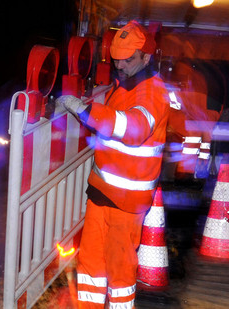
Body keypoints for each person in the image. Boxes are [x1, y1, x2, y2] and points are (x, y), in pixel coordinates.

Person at [56, 20, 170, 309]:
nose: (120, 66)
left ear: (147, 56)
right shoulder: (124, 85)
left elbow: (133, 129)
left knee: (120, 274)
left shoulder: (153, 92)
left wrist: (85, 111)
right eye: (116, 60)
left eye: (128, 60)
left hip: (127, 203)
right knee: (91, 266)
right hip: (103, 194)